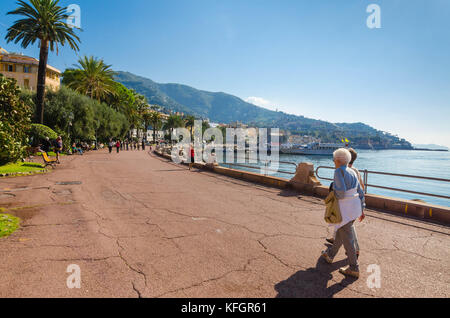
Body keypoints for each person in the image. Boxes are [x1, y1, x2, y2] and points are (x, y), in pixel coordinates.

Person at [321, 148, 365, 279]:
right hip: (355, 208)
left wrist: (333, 190)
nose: (333, 161)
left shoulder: (339, 171)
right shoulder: (352, 171)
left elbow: (340, 193)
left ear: (339, 160)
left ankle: (354, 268)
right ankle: (330, 255)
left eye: (334, 159)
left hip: (344, 209)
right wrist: (362, 208)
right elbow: (361, 192)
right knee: (342, 232)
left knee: (348, 240)